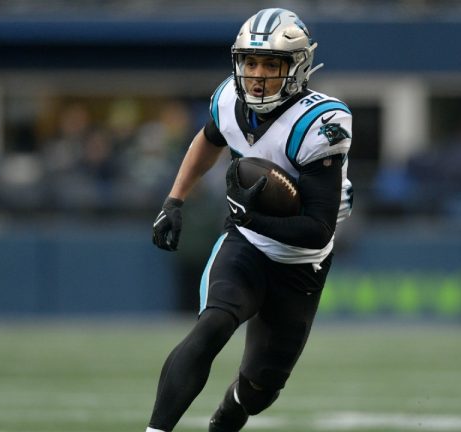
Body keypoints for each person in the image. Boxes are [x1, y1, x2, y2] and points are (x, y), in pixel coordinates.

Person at [147, 8, 353, 432]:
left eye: (271, 64)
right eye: (250, 62)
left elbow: (317, 230)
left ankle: (231, 411)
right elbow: (208, 139)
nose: (257, 74)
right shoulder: (228, 98)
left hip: (301, 261)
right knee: (213, 325)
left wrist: (251, 217)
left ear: (297, 67)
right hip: (246, 244)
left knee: (261, 387)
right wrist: (174, 200)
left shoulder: (322, 122)